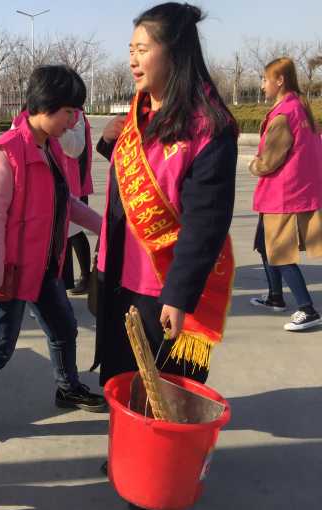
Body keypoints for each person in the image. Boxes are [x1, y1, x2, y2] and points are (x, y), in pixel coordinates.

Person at [0, 65, 107, 455]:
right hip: (5, 271)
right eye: (69, 112)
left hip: (44, 267)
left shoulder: (51, 148)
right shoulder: (7, 152)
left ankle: (67, 387)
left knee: (64, 328)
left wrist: (105, 227)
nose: (73, 121)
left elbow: (66, 202)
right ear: (47, 105)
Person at [92, 2, 238, 390]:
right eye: (130, 50)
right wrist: (109, 144)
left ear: (174, 53)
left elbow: (205, 225)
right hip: (120, 277)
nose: (132, 60)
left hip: (161, 291)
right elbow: (141, 177)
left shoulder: (208, 129)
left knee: (162, 394)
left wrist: (178, 296)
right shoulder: (140, 112)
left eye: (142, 50)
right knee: (121, 386)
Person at [249, 57, 322, 331]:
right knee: (264, 244)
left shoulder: (284, 115)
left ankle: (307, 309)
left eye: (265, 79)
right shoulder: (300, 109)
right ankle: (275, 296)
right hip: (291, 191)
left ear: (279, 81)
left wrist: (254, 165)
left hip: (281, 194)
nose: (262, 85)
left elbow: (269, 161)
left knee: (280, 252)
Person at [61, 110, 95, 295]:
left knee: (75, 232)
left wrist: (79, 187)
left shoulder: (76, 115)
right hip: (67, 181)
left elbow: (82, 155)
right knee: (68, 234)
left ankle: (86, 276)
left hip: (75, 183)